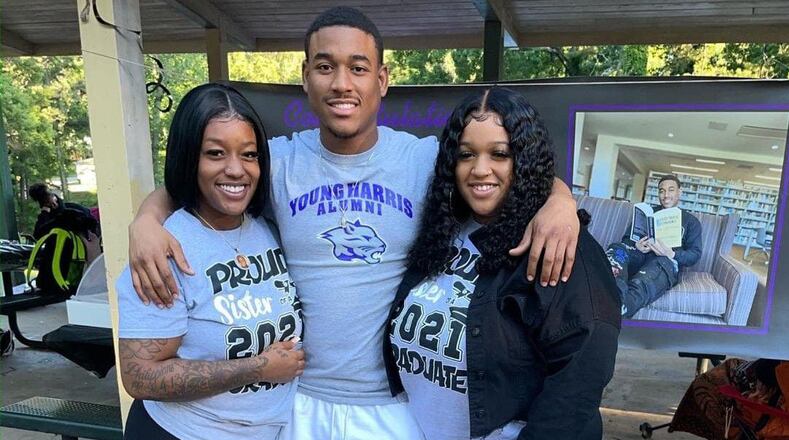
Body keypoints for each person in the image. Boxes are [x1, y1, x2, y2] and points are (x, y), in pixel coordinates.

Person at [128, 7, 581, 439]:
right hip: (298, 400)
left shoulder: (421, 160)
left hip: (392, 403)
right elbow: (200, 177)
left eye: (358, 68)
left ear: (382, 80)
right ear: (305, 78)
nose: (342, 83)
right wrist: (146, 220)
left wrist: (560, 203)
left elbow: (507, 174)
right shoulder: (277, 161)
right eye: (325, 67)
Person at [385, 87, 620, 440]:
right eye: (466, 155)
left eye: (500, 154)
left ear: (523, 160)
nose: (480, 170)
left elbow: (576, 388)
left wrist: (560, 200)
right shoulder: (443, 228)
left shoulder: (559, 247)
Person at [116, 83, 305, 439]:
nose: (236, 170)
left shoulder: (267, 226)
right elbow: (139, 376)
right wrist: (259, 367)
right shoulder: (165, 249)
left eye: (249, 155)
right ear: (190, 158)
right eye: (215, 154)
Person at [606, 174, 702, 318]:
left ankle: (619, 308)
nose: (665, 195)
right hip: (639, 255)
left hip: (664, 262)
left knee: (650, 274)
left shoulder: (691, 222)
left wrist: (672, 254)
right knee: (617, 248)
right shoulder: (648, 213)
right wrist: (636, 245)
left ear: (679, 192)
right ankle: (611, 292)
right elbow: (627, 239)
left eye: (671, 190)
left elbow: (695, 254)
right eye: (661, 191)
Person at [28, 183, 99, 240]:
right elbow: (37, 235)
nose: (52, 204)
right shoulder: (46, 218)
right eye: (45, 202)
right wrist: (44, 213)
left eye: (50, 198)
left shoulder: (73, 210)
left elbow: (92, 224)